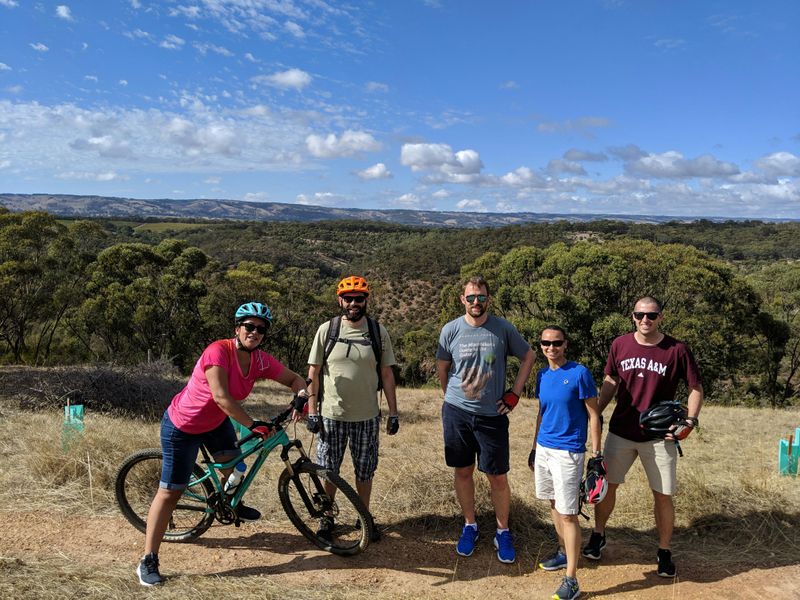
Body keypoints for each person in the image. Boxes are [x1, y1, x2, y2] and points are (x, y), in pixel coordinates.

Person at [136, 302, 309, 587]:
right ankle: (148, 559)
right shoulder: (218, 351)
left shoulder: (261, 360)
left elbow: (294, 378)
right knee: (170, 492)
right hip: (183, 425)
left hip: (216, 423)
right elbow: (221, 397)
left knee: (235, 470)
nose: (254, 332)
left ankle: (230, 505)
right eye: (249, 326)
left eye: (261, 329)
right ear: (237, 329)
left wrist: (302, 395)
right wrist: (254, 424)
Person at [582, 296, 703, 578]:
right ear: (632, 317)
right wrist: (595, 412)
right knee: (606, 487)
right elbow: (611, 380)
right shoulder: (620, 344)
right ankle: (598, 535)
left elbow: (695, 387)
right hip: (621, 430)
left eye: (651, 315)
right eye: (639, 315)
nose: (644, 320)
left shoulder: (677, 349)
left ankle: (663, 551)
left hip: (660, 436)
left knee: (662, 495)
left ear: (661, 317)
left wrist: (690, 422)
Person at [436, 275, 536, 564]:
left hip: (492, 415)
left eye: (481, 297)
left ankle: (503, 531)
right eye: (471, 298)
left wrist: (515, 394)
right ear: (462, 300)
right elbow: (443, 367)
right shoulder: (451, 330)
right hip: (457, 413)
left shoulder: (503, 329)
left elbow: (528, 356)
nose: (476, 302)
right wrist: (450, 397)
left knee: (497, 476)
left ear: (488, 299)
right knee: (463, 471)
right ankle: (470, 525)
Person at [305, 275, 399, 541]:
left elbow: (387, 374)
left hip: (367, 416)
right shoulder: (327, 330)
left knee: (365, 470)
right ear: (340, 300)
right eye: (348, 298)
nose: (354, 303)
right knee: (327, 469)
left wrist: (393, 413)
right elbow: (314, 371)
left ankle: (363, 517)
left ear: (366, 300)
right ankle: (326, 518)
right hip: (331, 415)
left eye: (359, 298)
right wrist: (312, 411)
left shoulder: (378, 332)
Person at [529, 325, 601, 600]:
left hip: (569, 452)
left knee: (569, 514)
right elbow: (542, 412)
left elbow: (594, 415)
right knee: (553, 504)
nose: (551, 348)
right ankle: (562, 552)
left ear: (565, 344)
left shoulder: (579, 373)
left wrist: (596, 454)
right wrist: (534, 448)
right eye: (545, 343)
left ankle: (571, 579)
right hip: (545, 448)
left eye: (556, 343)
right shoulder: (543, 375)